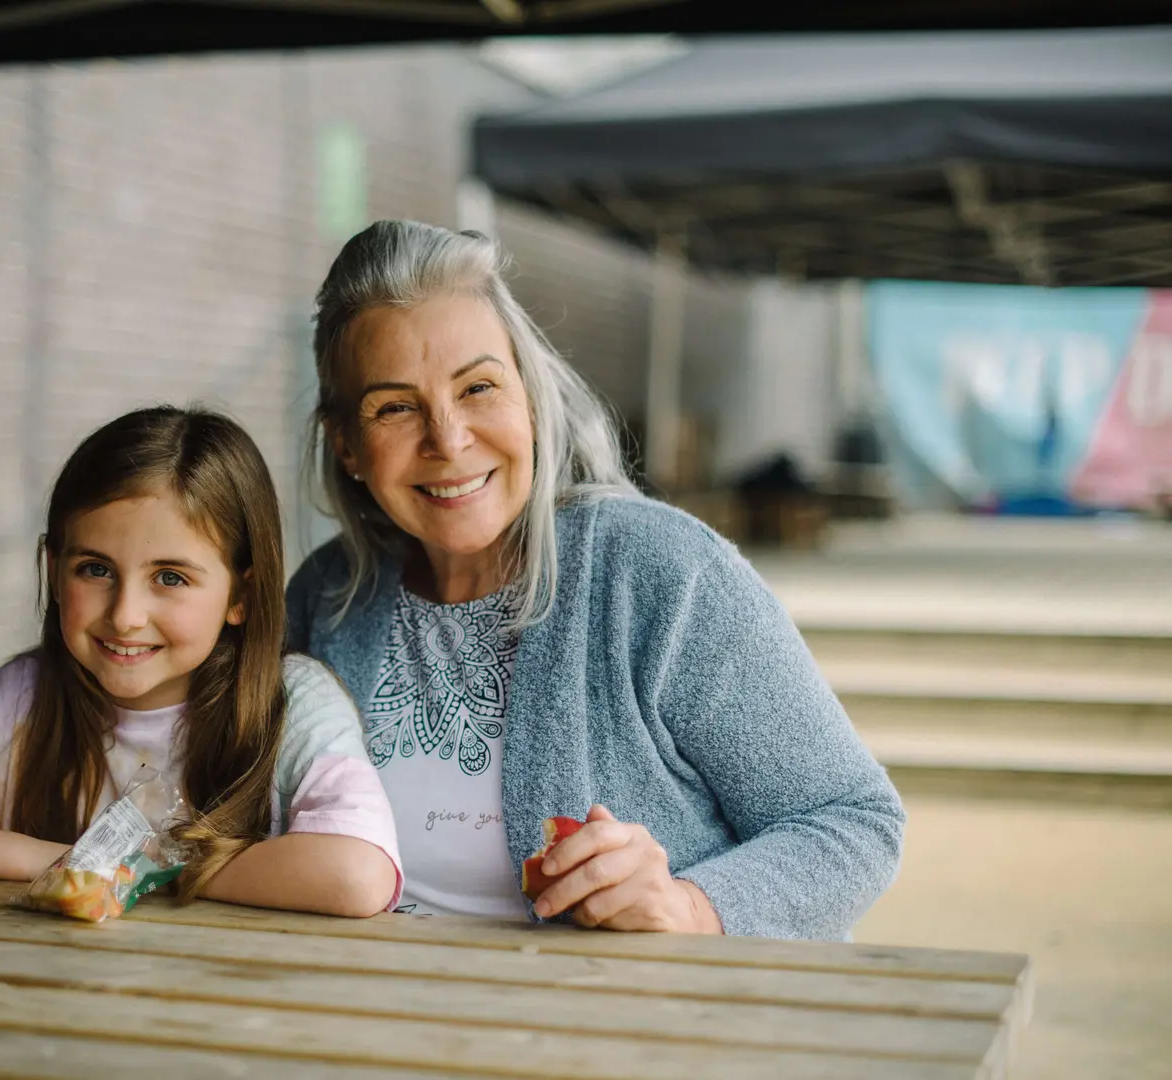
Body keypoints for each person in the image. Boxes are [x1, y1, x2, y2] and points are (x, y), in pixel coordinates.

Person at [287, 221, 904, 939]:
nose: (449, 441)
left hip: (624, 1034)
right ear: (347, 446)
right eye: (394, 407)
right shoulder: (325, 597)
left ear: (530, 392)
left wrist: (689, 906)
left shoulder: (659, 574)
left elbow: (855, 821)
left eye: (479, 387)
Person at [0, 406, 402, 918]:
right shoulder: (23, 701)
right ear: (55, 570)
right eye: (96, 569)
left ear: (240, 594)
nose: (126, 614)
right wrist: (42, 858)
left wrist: (138, 867)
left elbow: (355, 874)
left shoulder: (291, 704)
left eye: (170, 577)